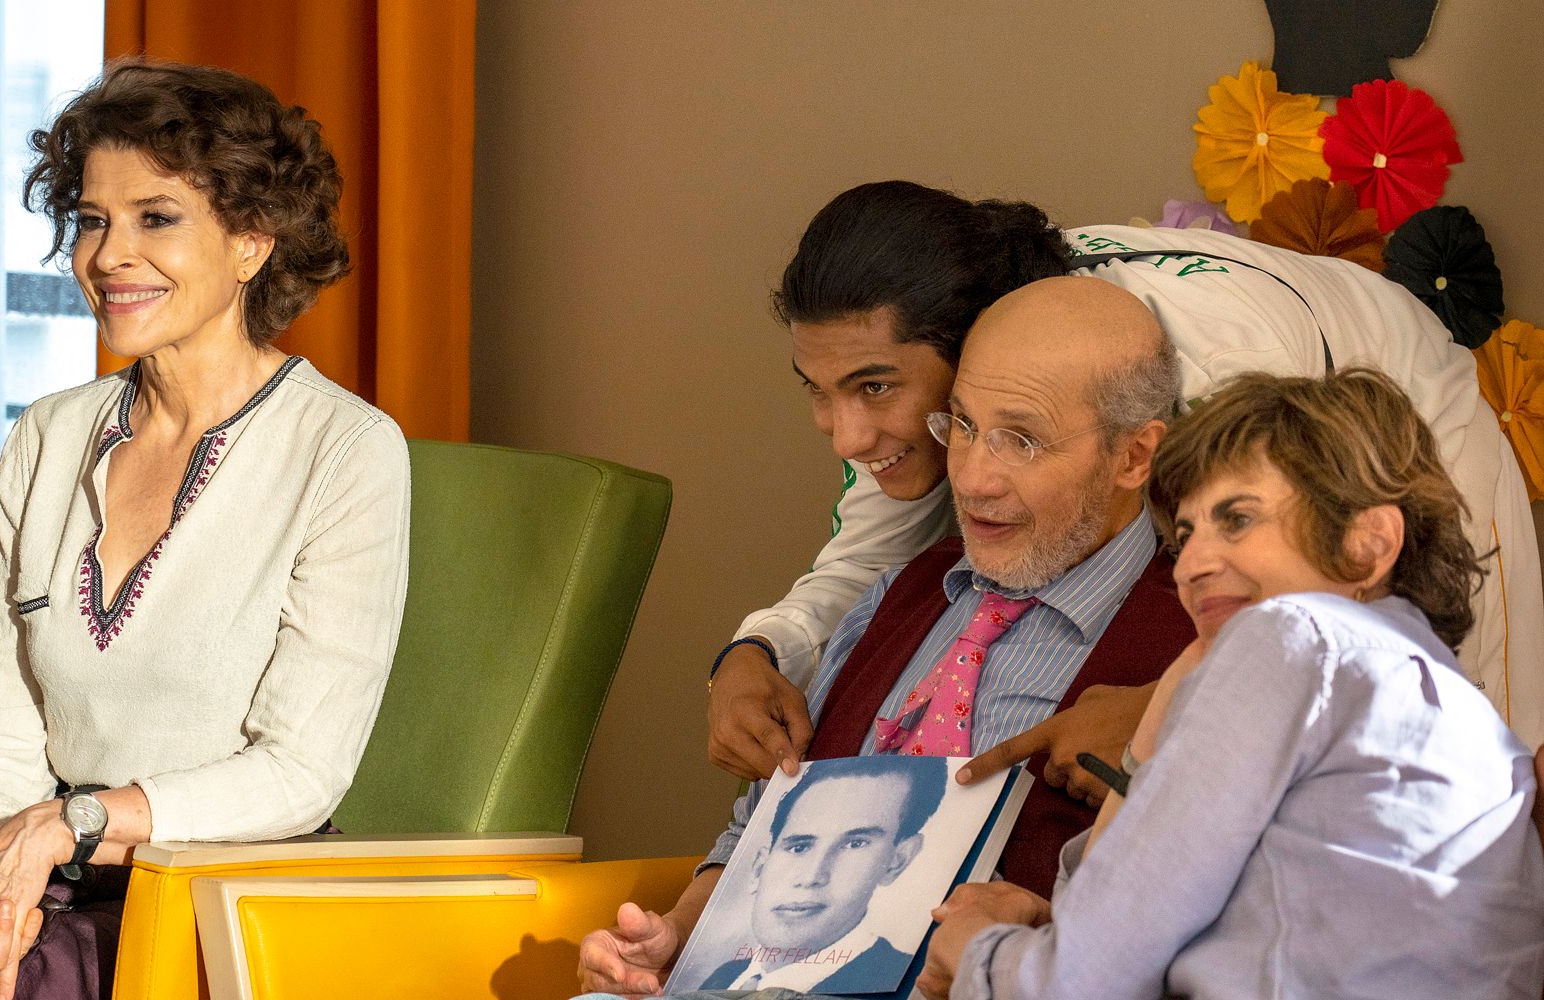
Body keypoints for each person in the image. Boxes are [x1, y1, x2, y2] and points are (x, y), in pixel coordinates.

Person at [710, 184, 1542, 800]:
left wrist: (1165, 709)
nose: (848, 437)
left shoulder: (1208, 372)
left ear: (972, 351)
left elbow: (1347, 608)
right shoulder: (924, 381)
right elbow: (865, 565)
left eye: (873, 389)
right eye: (820, 391)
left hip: (1401, 412)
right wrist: (757, 653)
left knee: (1459, 756)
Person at [577, 276, 1197, 998]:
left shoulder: (1201, 651)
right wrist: (673, 943)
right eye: (963, 425)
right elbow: (757, 830)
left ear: (1133, 456)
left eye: (1022, 440)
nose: (973, 479)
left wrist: (1047, 933)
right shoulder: (893, 598)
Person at [0, 61, 410, 999]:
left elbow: (301, 771)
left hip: (219, 890)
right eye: (91, 220)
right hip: (47, 863)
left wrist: (68, 823)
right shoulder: (46, 436)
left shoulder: (347, 451)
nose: (109, 255)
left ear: (251, 242)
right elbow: (3, 716)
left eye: (155, 217)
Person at [920, 369, 1544, 1000]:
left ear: (1367, 543)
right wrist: (1054, 927)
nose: (1190, 566)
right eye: (1184, 536)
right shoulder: (1448, 708)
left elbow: (1077, 985)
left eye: (1238, 519)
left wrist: (973, 948)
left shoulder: (1294, 638)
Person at [695, 756, 944, 991]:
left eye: (855, 844)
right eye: (799, 847)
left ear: (897, 861)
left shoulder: (912, 983)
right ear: (760, 866)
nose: (812, 877)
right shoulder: (723, 977)